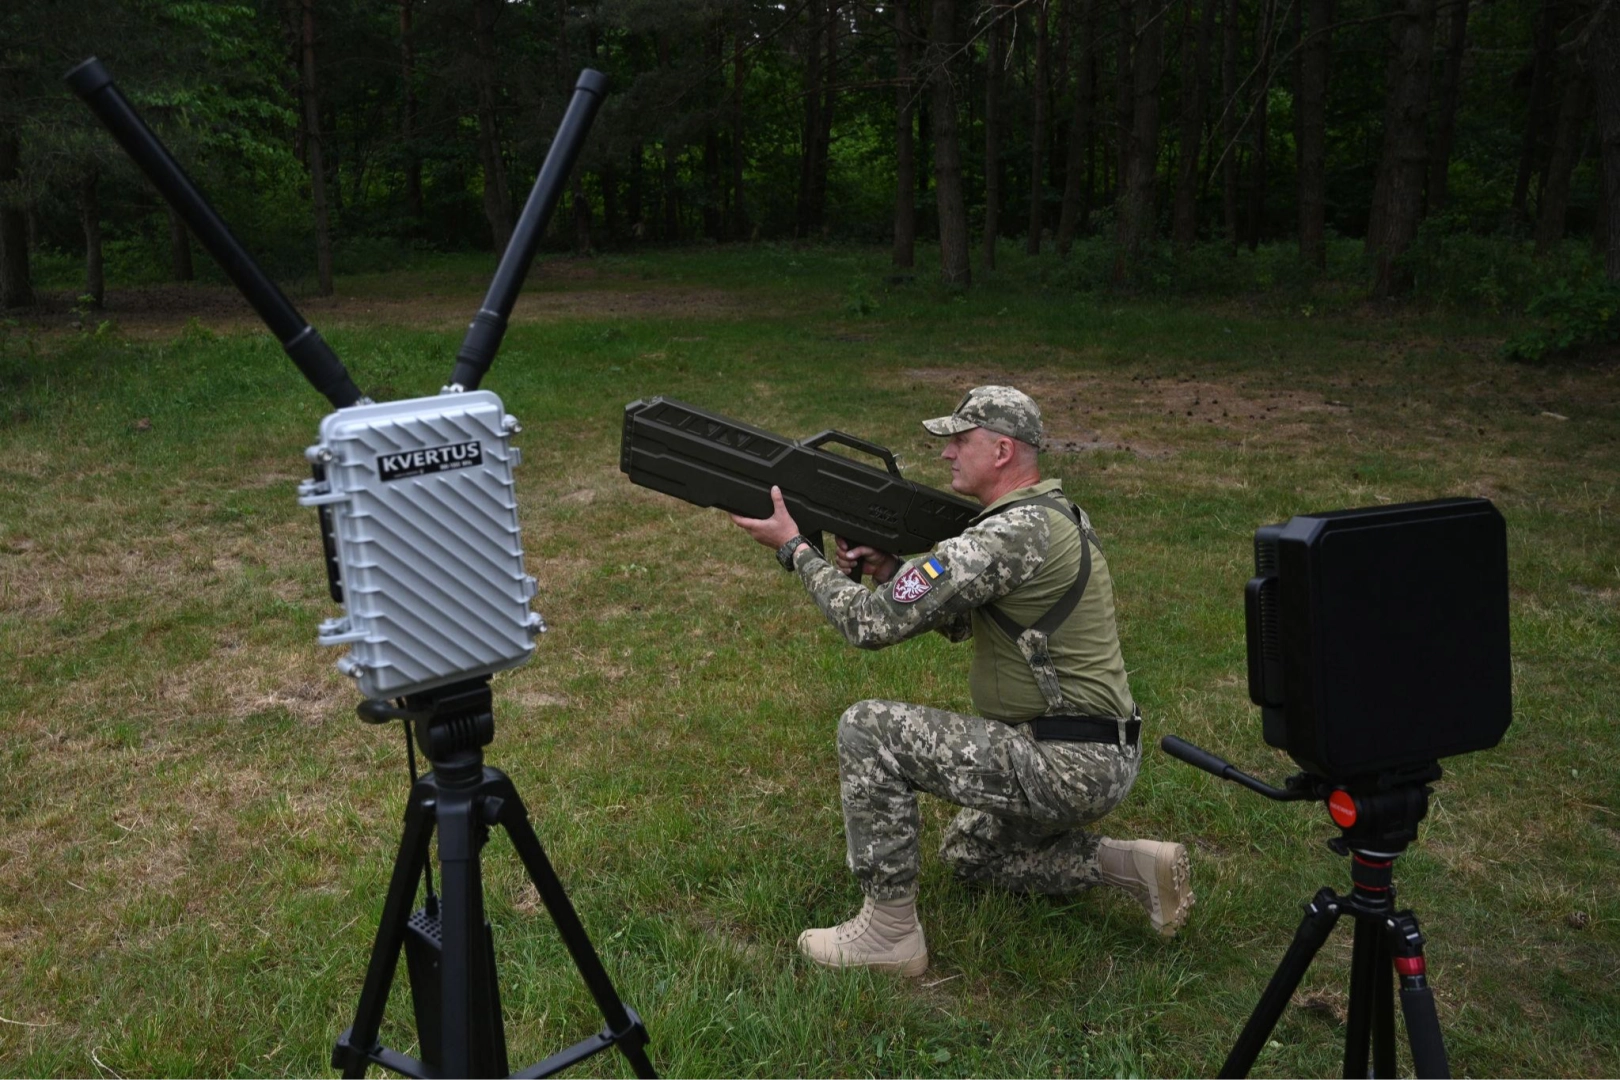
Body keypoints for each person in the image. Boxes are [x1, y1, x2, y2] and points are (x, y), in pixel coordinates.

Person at [728, 385, 1193, 976]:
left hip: (1065, 762)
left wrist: (796, 549)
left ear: (1002, 451)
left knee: (868, 729)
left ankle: (889, 935)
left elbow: (869, 623)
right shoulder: (1049, 517)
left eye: (960, 441)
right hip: (1096, 752)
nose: (947, 453)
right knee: (969, 853)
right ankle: (1129, 865)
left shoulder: (1005, 534)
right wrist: (891, 570)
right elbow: (966, 616)